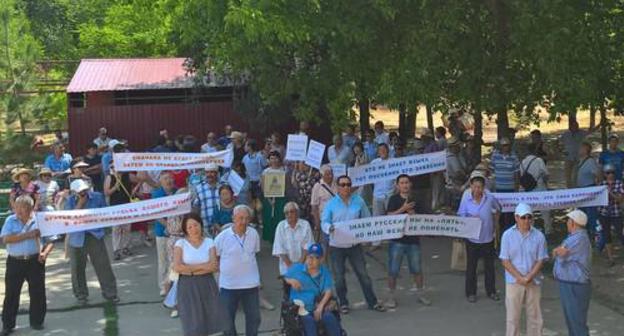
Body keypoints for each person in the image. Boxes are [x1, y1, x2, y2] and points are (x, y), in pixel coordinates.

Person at [321, 175, 386, 314]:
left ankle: (372, 302)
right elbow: (324, 221)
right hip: (336, 246)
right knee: (339, 277)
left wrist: (368, 235)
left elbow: (367, 219)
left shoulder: (359, 201)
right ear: (337, 187)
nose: (346, 187)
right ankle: (343, 303)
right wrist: (329, 228)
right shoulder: (331, 204)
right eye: (343, 185)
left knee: (363, 275)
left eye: (348, 184)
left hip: (354, 245)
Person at [1, 195, 54, 335]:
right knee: (12, 293)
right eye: (16, 206)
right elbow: (6, 239)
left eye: (22, 207)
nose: (18, 210)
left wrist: (45, 253)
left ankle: (37, 321)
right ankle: (8, 324)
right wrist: (28, 235)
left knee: (37, 292)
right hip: (15, 261)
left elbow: (50, 240)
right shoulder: (10, 220)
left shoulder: (39, 220)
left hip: (34, 261)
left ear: (30, 208)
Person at [66, 179, 119, 305]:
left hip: (94, 234)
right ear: (74, 192)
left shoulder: (97, 197)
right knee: (77, 268)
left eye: (85, 190)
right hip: (77, 237)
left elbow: (106, 213)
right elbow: (67, 218)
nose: (84, 193)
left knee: (103, 265)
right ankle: (81, 295)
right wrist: (80, 203)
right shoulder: (70, 201)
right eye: (80, 192)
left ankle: (110, 294)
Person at [499, 203, 548, 336]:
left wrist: (529, 277)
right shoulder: (507, 235)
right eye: (523, 217)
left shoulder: (539, 236)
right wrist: (520, 277)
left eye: (529, 217)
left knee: (535, 317)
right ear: (516, 217)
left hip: (534, 281)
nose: (526, 220)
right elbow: (505, 260)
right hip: (513, 282)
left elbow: (541, 259)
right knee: (512, 317)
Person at [172, 213, 223, 336]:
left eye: (195, 225)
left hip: (207, 284)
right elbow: (177, 267)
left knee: (211, 319)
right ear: (185, 229)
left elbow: (214, 267)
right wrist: (203, 266)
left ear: (201, 225)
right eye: (189, 227)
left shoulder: (209, 242)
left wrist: (189, 269)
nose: (193, 229)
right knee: (192, 321)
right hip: (187, 285)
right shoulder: (180, 244)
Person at [385, 175, 431, 308]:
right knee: (393, 270)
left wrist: (414, 214)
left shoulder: (417, 199)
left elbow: (425, 217)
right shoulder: (393, 199)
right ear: (397, 185)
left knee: (417, 269)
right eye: (402, 183)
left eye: (407, 182)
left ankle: (421, 294)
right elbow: (388, 216)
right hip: (397, 240)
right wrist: (403, 210)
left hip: (413, 240)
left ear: (410, 184)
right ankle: (391, 297)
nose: (405, 185)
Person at [215, 205, 262, 336]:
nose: (244, 222)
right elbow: (215, 257)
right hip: (228, 285)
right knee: (227, 321)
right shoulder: (222, 237)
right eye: (240, 218)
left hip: (250, 284)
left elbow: (255, 254)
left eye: (247, 218)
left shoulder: (253, 234)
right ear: (233, 218)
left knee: (254, 318)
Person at [457, 171, 501, 303]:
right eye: (475, 187)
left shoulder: (489, 197)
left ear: (484, 187)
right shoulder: (466, 196)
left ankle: (491, 291)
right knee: (471, 267)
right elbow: (461, 215)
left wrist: (496, 223)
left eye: (480, 187)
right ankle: (471, 293)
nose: (477, 190)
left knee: (489, 267)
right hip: (472, 238)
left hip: (487, 237)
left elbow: (498, 208)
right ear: (471, 186)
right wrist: (471, 219)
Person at [283, 243, 343, 336]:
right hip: (298, 308)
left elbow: (328, 290)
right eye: (310, 257)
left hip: (316, 305)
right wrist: (291, 280)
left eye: (316, 258)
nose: (311, 260)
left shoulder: (324, 272)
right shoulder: (297, 268)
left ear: (321, 259)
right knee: (309, 322)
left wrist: (320, 307)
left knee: (330, 318)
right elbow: (284, 278)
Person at [553, 210, 592, 336]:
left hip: (574, 285)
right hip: (570, 283)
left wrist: (557, 250)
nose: (567, 223)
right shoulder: (576, 237)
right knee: (572, 321)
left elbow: (560, 252)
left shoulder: (579, 238)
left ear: (573, 223)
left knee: (577, 322)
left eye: (568, 221)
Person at [104, 161, 136, 260]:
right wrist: (115, 186)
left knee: (127, 227)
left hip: (126, 205)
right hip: (115, 206)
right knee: (116, 229)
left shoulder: (127, 176)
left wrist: (135, 190)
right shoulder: (110, 177)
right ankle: (116, 250)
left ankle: (126, 247)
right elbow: (106, 192)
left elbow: (140, 179)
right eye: (113, 166)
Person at [272, 202, 315, 276]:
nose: (289, 215)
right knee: (288, 287)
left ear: (297, 213)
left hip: (304, 267)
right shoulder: (280, 226)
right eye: (286, 213)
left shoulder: (305, 225)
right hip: (286, 268)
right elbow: (280, 249)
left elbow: (308, 247)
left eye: (292, 211)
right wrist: (291, 267)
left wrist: (299, 266)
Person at [152, 172, 177, 295]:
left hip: (177, 233)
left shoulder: (178, 192)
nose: (169, 180)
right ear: (160, 182)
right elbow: (157, 215)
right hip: (162, 232)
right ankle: (163, 286)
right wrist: (169, 226)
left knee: (174, 261)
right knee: (163, 261)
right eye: (166, 179)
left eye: (170, 178)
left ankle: (173, 285)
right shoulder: (156, 194)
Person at [490, 137, 520, 234]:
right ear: (500, 147)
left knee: (510, 212)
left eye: (507, 145)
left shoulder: (514, 157)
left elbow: (517, 173)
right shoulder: (495, 156)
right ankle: (500, 232)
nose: (506, 147)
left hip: (510, 189)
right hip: (498, 189)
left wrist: (516, 188)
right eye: (503, 145)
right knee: (499, 212)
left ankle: (510, 231)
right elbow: (491, 170)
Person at [597, 163, 624, 266]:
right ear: (604, 174)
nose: (610, 174)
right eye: (608, 173)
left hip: (616, 213)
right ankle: (610, 258)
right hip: (603, 213)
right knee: (606, 235)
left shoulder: (620, 183)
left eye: (612, 172)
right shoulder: (601, 185)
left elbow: (620, 199)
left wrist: (610, 192)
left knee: (620, 234)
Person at [521, 143, 552, 233]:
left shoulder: (523, 162)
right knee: (545, 210)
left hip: (528, 189)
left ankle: (530, 228)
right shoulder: (539, 160)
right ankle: (548, 229)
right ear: (535, 150)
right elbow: (546, 174)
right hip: (540, 187)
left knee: (529, 210)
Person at [370, 144, 395, 247]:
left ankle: (392, 240)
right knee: (377, 219)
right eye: (380, 150)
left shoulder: (394, 162)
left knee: (391, 219)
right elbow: (365, 174)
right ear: (378, 152)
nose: (383, 151)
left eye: (384, 149)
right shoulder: (374, 163)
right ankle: (376, 242)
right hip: (377, 194)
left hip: (390, 193)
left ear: (388, 151)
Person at [261, 151, 288, 242]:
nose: (274, 160)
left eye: (275, 158)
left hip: (281, 198)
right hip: (269, 198)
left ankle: (280, 238)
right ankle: (270, 237)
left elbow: (286, 185)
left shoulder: (283, 170)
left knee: (279, 217)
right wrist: (268, 199)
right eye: (271, 158)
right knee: (269, 218)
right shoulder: (266, 171)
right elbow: (263, 186)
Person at [576, 141, 600, 239]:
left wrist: (598, 186)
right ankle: (583, 232)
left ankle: (593, 232)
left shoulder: (590, 161)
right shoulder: (580, 160)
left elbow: (597, 174)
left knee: (591, 212)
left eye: (581, 148)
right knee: (582, 212)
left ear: (586, 150)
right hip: (581, 190)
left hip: (589, 189)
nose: (579, 149)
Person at [191, 163, 221, 237]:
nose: (209, 174)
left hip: (221, 227)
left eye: (212, 172)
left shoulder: (223, 186)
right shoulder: (198, 188)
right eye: (207, 172)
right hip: (205, 228)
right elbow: (195, 208)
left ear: (217, 173)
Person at [560, 120, 590, 188]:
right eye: (574, 126)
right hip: (568, 158)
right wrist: (561, 151)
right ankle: (569, 189)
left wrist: (599, 125)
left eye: (576, 126)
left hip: (578, 158)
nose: (575, 127)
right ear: (570, 127)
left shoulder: (581, 133)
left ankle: (575, 189)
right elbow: (558, 142)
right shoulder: (566, 134)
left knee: (575, 175)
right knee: (568, 176)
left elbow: (590, 132)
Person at [310, 165, 336, 243]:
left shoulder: (337, 183)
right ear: (322, 175)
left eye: (331, 174)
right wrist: (317, 221)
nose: (330, 176)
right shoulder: (317, 186)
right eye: (327, 174)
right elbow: (314, 206)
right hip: (325, 218)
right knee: (326, 241)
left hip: (337, 217)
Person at [242, 139, 267, 210]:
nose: (244, 147)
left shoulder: (260, 157)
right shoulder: (245, 158)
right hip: (249, 183)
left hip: (259, 183)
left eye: (246, 145)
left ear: (250, 146)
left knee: (259, 205)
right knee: (251, 204)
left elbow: (265, 167)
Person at [446, 136, 468, 209]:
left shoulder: (457, 155)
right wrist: (465, 177)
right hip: (454, 184)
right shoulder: (451, 157)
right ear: (453, 147)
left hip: (454, 184)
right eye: (457, 146)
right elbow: (458, 172)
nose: (459, 147)